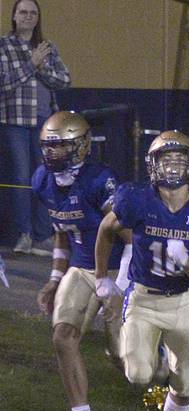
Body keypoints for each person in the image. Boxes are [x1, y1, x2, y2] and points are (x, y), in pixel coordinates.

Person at [94, 131, 189, 411]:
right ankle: (159, 358)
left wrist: (187, 262)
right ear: (152, 166)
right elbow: (106, 230)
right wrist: (102, 278)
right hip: (144, 297)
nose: (171, 168)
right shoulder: (136, 199)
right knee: (137, 374)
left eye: (179, 161)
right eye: (165, 161)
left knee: (186, 383)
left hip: (184, 301)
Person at [32, 111, 127, 411]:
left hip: (117, 268)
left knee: (124, 359)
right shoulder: (42, 180)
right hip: (82, 268)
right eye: (48, 146)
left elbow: (131, 238)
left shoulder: (100, 180)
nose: (51, 153)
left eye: (60, 146)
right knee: (62, 336)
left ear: (82, 145)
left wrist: (121, 285)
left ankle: (177, 377)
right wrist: (55, 279)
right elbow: (63, 232)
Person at [0, 0, 71, 255]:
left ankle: (43, 236)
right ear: (14, 16)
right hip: (15, 122)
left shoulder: (47, 48)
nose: (28, 17)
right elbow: (3, 85)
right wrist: (31, 65)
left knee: (45, 178)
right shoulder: (4, 46)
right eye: (23, 12)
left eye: (33, 13)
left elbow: (64, 80)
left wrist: (39, 66)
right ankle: (24, 235)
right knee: (20, 179)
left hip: (44, 123)